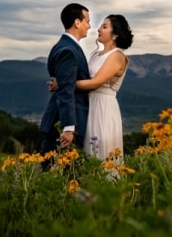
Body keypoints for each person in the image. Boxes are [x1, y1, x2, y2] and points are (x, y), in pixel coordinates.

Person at [48, 13, 134, 163]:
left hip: (103, 108)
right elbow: (83, 79)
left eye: (104, 26)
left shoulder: (117, 56)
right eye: (101, 26)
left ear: (115, 35)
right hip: (89, 105)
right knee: (86, 153)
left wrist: (62, 83)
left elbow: (95, 83)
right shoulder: (96, 55)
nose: (98, 29)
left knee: (101, 152)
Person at [40, 3, 91, 155]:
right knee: (65, 174)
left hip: (63, 121)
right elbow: (66, 91)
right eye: (87, 21)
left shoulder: (63, 46)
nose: (89, 26)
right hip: (64, 124)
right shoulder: (68, 50)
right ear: (77, 22)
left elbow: (64, 83)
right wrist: (68, 127)